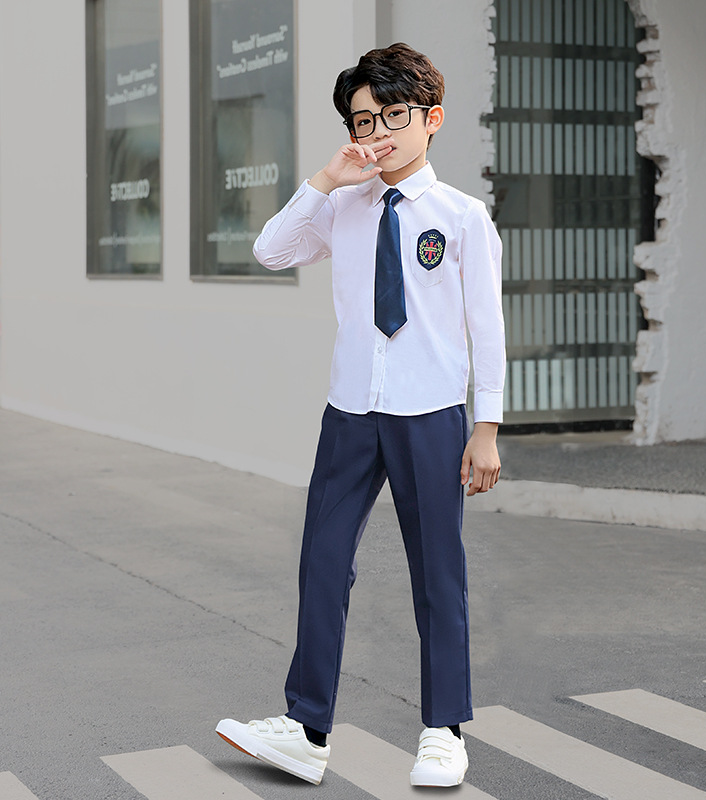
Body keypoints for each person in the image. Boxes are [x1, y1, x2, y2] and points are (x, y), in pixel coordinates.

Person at [215, 42, 505, 788]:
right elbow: (271, 250)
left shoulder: (463, 217)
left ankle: (444, 730)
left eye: (392, 116)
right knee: (321, 562)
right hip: (350, 411)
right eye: (361, 119)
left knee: (438, 575)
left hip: (431, 415)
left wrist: (487, 428)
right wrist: (323, 180)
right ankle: (306, 729)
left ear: (431, 118)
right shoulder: (342, 206)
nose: (375, 133)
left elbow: (488, 328)